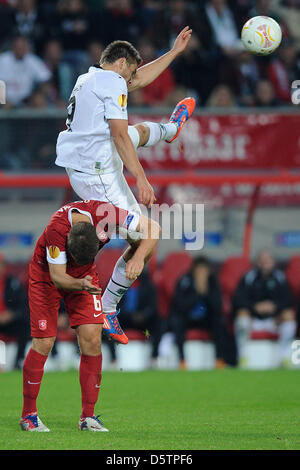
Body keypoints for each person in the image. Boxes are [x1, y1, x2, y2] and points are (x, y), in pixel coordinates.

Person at [55, 28, 196, 342]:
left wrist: (173, 53)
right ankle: (108, 306)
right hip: (98, 172)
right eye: (130, 72)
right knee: (147, 238)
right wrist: (142, 179)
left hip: (87, 157)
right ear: (120, 64)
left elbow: (137, 82)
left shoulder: (89, 79)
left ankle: (171, 130)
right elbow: (118, 136)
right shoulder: (112, 82)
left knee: (142, 132)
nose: (133, 81)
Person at [20, 199, 160, 432]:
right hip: (47, 278)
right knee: (44, 342)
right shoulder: (57, 230)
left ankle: (88, 417)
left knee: (93, 339)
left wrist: (138, 257)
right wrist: (79, 283)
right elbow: (58, 276)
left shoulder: (107, 214)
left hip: (84, 276)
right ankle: (29, 415)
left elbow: (153, 228)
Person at [233, 250, 296, 366]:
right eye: (262, 261)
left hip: (274, 320)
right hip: (254, 320)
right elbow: (238, 299)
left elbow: (289, 299)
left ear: (273, 262)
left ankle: (285, 356)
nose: (264, 264)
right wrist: (254, 307)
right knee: (242, 315)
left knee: (289, 315)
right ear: (257, 263)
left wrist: (275, 306)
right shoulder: (248, 277)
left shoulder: (280, 277)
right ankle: (243, 357)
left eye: (267, 261)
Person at [170, 256, 225, 367]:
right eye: (199, 270)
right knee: (176, 322)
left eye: (204, 270)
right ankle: (182, 361)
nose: (201, 273)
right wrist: (197, 292)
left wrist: (205, 292)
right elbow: (179, 305)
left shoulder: (213, 281)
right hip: (188, 317)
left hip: (206, 318)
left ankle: (219, 360)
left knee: (220, 323)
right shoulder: (184, 280)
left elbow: (217, 306)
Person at [0, 254, 29, 369]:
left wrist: (11, 314)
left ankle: (19, 361)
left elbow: (22, 305)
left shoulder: (12, 282)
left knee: (25, 325)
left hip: (8, 321)